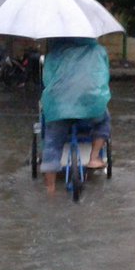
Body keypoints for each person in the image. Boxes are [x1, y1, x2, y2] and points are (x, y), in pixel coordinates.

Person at [40, 37, 111, 194]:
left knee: (52, 143)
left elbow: (47, 79)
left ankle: (50, 189)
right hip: (90, 106)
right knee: (104, 120)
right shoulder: (99, 51)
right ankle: (93, 157)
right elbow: (103, 78)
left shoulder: (54, 53)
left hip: (59, 108)